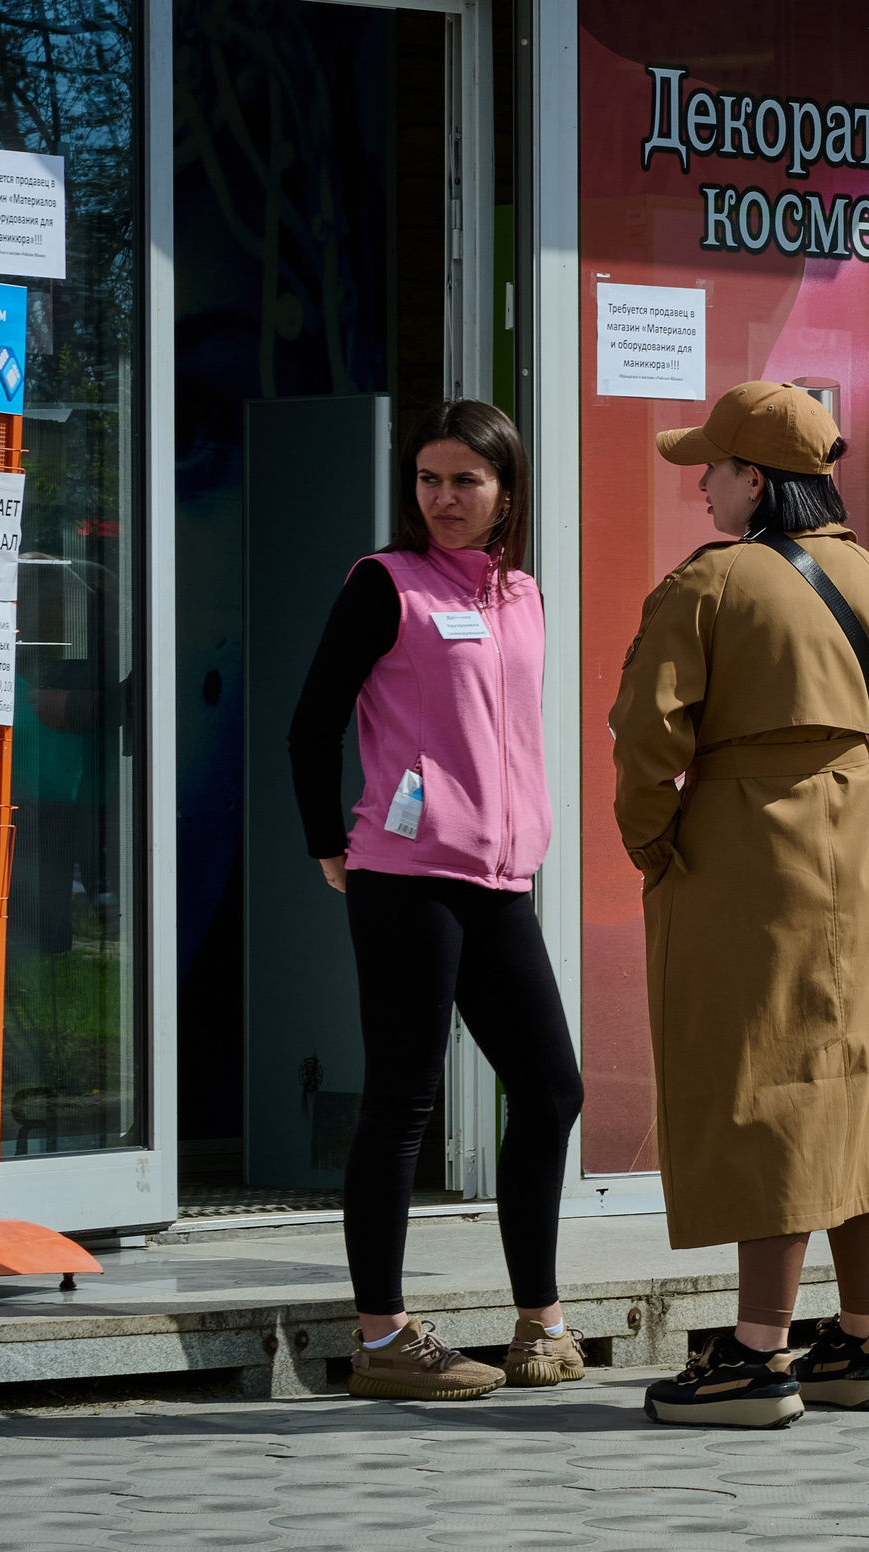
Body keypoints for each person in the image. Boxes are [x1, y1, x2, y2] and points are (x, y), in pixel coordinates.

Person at [610, 381, 869, 1429]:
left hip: (747, 853)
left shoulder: (711, 584)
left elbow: (648, 735)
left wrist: (650, 840)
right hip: (859, 850)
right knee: (857, 1081)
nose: (699, 483)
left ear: (759, 482)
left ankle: (753, 1357)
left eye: (715, 467)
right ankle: (861, 1341)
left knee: (764, 1082)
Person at [288, 398, 587, 1399]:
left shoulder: (521, 592)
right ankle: (381, 1339)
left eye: (467, 480)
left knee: (551, 1090)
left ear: (506, 490)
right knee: (404, 1098)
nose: (445, 498)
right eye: (429, 479)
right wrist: (333, 847)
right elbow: (311, 722)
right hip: (407, 877)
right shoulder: (387, 585)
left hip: (500, 881)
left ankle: (540, 1323)